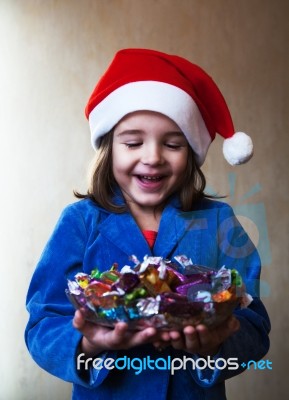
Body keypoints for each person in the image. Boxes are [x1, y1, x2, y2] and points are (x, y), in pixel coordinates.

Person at [25, 48, 270, 400]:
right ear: (109, 149)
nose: (153, 157)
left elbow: (255, 323)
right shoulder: (80, 223)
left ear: (191, 155)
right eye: (133, 142)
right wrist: (88, 345)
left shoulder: (219, 223)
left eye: (173, 143)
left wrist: (217, 344)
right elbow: (43, 322)